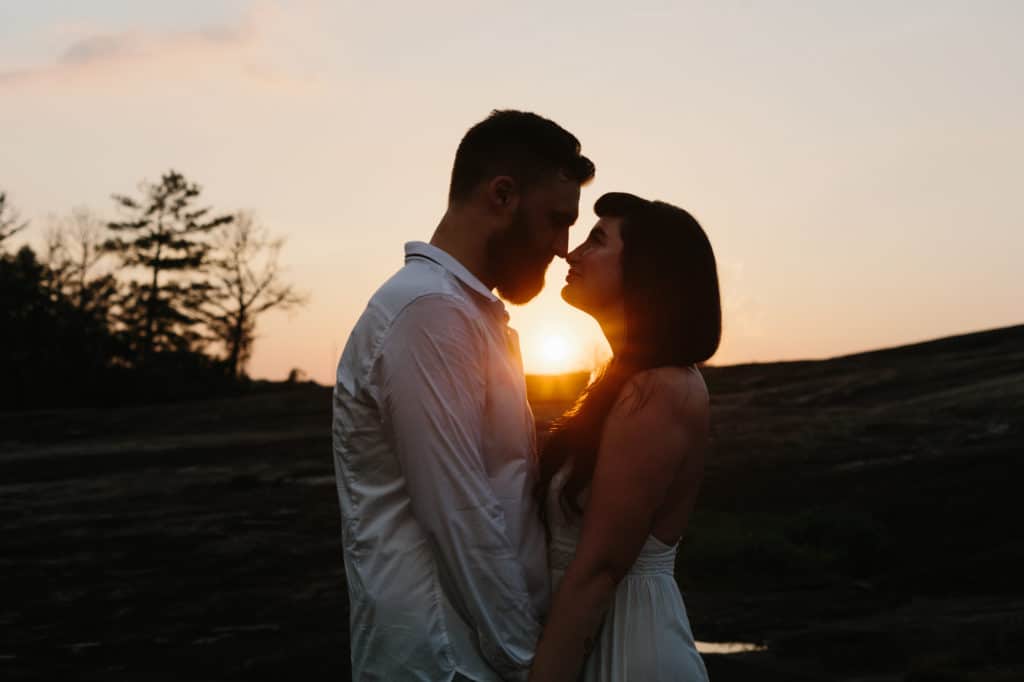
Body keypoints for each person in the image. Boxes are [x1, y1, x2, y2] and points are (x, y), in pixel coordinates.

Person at [331, 109, 595, 681]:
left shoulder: (463, 313)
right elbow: (459, 514)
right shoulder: (430, 312)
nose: (561, 247)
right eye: (555, 220)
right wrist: (530, 664)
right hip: (449, 659)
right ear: (502, 195)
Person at [529, 192, 720, 681]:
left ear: (646, 270)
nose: (571, 254)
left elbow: (600, 570)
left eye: (596, 241)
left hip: (631, 651)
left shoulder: (661, 389)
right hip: (601, 640)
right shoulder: (621, 382)